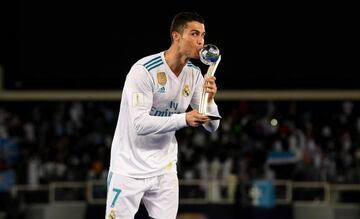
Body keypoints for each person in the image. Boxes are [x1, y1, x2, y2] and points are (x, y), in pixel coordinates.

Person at [105, 11, 221, 219]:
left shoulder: (194, 74)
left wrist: (209, 99)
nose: (201, 42)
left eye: (203, 35)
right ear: (176, 36)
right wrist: (184, 118)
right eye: (194, 34)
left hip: (164, 169)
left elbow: (212, 126)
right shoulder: (143, 71)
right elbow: (140, 124)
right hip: (128, 167)